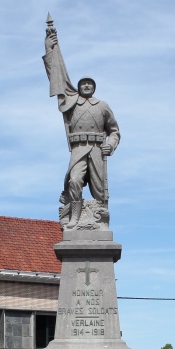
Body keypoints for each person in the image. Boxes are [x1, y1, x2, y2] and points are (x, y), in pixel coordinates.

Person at [43, 17, 120, 228]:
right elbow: (57, 78)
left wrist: (110, 144)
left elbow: (114, 131)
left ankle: (100, 220)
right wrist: (51, 51)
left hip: (96, 148)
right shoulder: (72, 102)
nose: (86, 86)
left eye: (89, 84)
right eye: (83, 83)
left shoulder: (102, 106)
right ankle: (75, 216)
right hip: (79, 148)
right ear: (79, 86)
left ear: (94, 87)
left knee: (99, 189)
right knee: (75, 181)